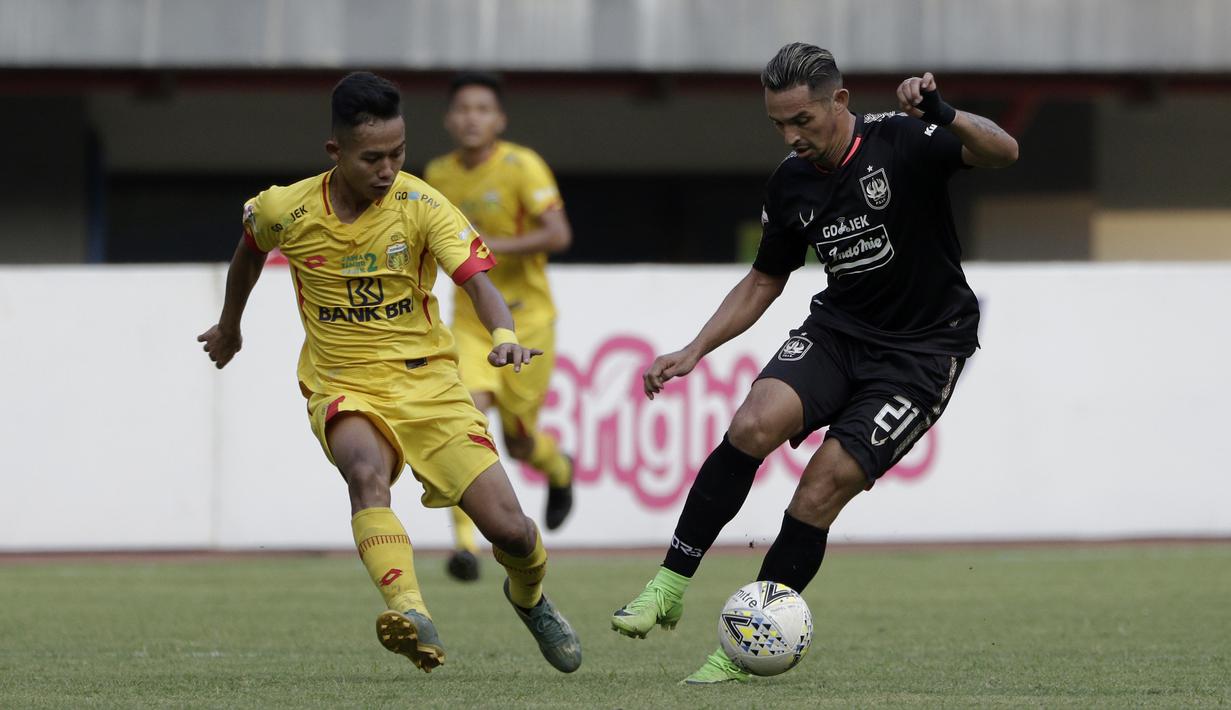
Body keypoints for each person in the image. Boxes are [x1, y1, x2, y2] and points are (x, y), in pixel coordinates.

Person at [609, 42, 1018, 684]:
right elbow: (764, 281)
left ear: (840, 102)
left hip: (921, 352)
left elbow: (1004, 150)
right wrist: (693, 349)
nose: (791, 136)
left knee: (820, 487)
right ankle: (667, 584)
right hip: (838, 331)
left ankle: (742, 649)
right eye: (778, 123)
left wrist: (943, 111)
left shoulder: (905, 140)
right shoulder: (791, 181)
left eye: (802, 120)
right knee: (750, 425)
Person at [197, 71, 581, 674]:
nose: (387, 168)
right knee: (365, 474)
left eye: (398, 153)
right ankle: (412, 611)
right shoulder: (286, 209)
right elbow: (250, 248)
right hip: (343, 381)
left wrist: (504, 336)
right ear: (336, 153)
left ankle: (529, 598)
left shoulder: (423, 203)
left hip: (430, 385)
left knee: (512, 533)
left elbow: (479, 283)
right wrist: (230, 326)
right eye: (372, 157)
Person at [424, 72, 576, 583]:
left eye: (482, 109)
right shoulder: (437, 174)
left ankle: (559, 470)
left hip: (527, 319)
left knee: (520, 442)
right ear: (449, 119)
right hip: (470, 320)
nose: (471, 117)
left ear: (499, 119)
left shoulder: (520, 165)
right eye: (463, 108)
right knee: (467, 416)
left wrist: (488, 247)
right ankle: (464, 545)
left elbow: (558, 233)